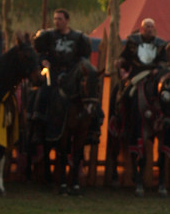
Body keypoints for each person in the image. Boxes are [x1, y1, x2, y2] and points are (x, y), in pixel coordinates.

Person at [32, 8, 102, 144]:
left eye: (60, 19)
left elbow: (84, 56)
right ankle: (38, 126)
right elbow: (39, 53)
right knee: (43, 92)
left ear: (67, 20)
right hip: (53, 71)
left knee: (89, 94)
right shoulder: (48, 36)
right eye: (55, 19)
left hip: (73, 74)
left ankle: (94, 126)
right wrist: (43, 61)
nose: (57, 22)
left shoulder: (78, 37)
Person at [111, 18, 168, 133]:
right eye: (147, 27)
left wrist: (158, 69)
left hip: (154, 74)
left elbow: (163, 60)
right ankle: (121, 121)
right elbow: (125, 56)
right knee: (126, 93)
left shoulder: (160, 44)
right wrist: (120, 61)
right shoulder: (133, 42)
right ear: (142, 29)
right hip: (137, 73)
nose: (150, 29)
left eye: (152, 27)